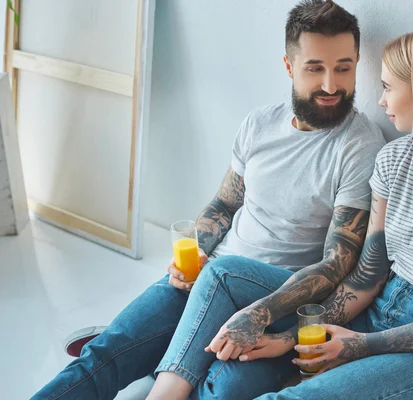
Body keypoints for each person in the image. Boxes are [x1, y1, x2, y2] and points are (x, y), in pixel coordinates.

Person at [145, 24, 413, 400]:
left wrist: (361, 346)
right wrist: (288, 339)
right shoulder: (394, 159)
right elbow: (368, 276)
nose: (380, 101)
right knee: (237, 372)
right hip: (379, 309)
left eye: (387, 87)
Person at [32, 1, 385, 399]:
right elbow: (224, 205)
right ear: (289, 66)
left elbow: (337, 263)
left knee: (221, 391)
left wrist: (269, 318)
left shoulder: (360, 145)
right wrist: (196, 251)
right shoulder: (258, 125)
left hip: (275, 303)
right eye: (315, 68)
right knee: (106, 354)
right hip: (207, 281)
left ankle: (168, 365)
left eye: (343, 67)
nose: (331, 85)